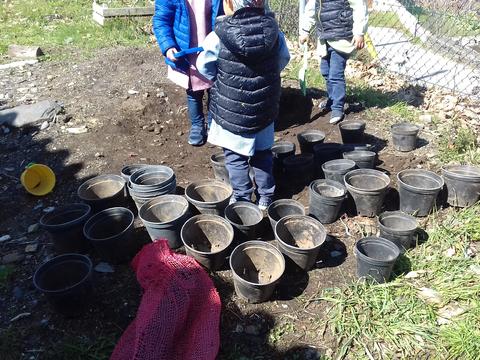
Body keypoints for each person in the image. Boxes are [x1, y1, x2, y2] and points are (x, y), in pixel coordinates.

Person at [196, 0, 290, 210]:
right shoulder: (274, 32)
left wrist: (220, 80)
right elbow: (283, 59)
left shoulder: (218, 35)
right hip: (263, 110)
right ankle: (266, 196)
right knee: (263, 154)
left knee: (235, 159)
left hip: (233, 112)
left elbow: (204, 66)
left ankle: (242, 198)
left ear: (230, 4)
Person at [152, 0, 223, 146]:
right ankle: (197, 125)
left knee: (215, 87)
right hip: (187, 49)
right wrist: (168, 46)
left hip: (214, 48)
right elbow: (161, 20)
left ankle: (213, 123)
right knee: (193, 90)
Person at [299, 0, 368, 124]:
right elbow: (311, 9)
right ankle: (332, 99)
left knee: (335, 74)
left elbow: (359, 7)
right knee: (325, 71)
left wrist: (359, 32)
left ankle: (337, 108)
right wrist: (305, 31)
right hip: (325, 38)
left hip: (342, 38)